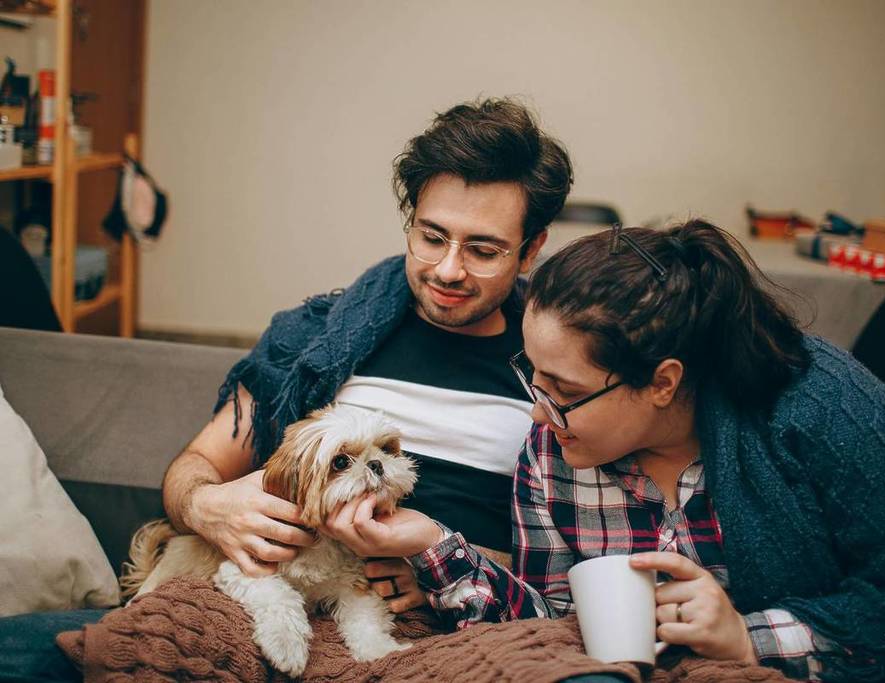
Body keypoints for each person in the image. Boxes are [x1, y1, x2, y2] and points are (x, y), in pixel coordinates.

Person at [0, 96, 573, 681]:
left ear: (530, 249)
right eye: (432, 237)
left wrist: (442, 570)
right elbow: (196, 465)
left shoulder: (560, 371)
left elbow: (568, 564)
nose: (449, 270)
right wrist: (208, 505)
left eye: (483, 250)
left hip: (444, 625)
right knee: (32, 652)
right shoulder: (316, 340)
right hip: (265, 597)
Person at [328, 221, 885, 682]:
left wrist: (750, 636)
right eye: (530, 375)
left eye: (562, 388)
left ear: (663, 382)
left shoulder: (822, 407)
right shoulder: (552, 446)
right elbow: (550, 621)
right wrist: (439, 548)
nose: (538, 407)